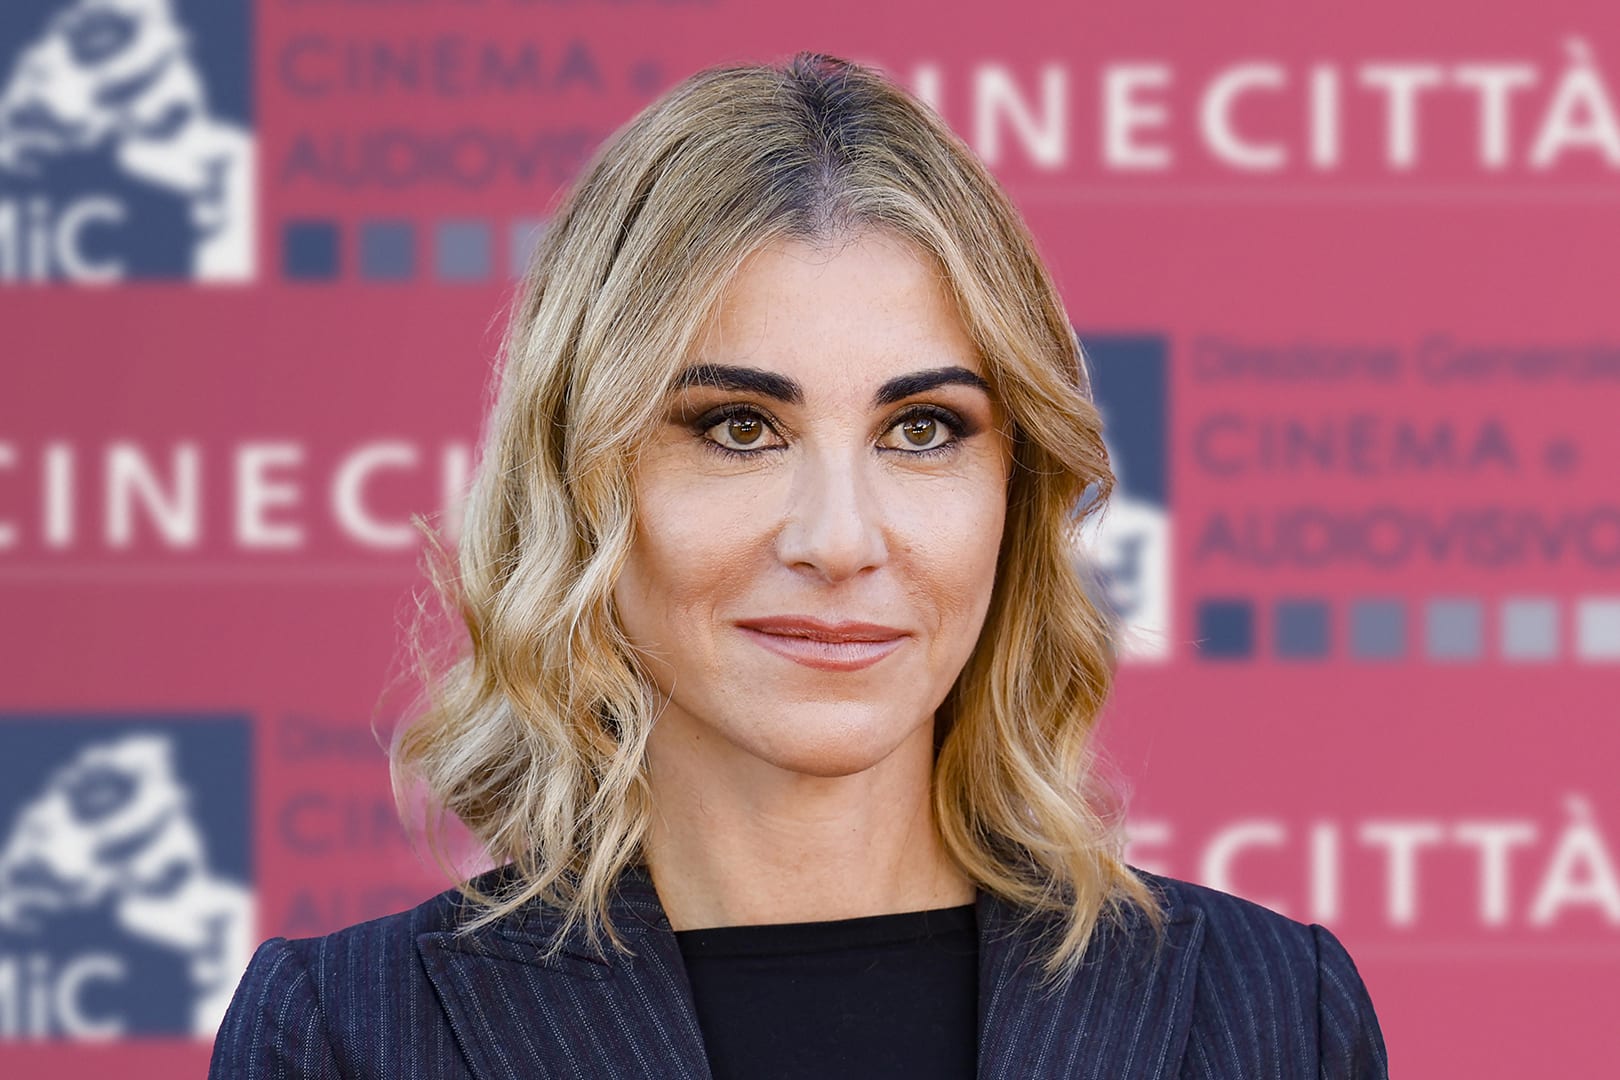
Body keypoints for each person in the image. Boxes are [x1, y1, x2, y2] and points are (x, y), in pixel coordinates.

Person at [209, 52, 1388, 1079]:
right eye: (738, 428)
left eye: (921, 429)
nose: (839, 540)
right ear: (581, 479)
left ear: (1015, 490)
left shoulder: (1269, 1012)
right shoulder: (352, 1033)